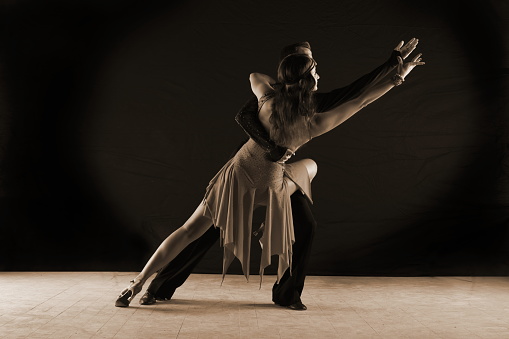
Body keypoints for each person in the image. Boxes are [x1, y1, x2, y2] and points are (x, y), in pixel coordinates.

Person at [115, 39, 424, 309]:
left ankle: (137, 282)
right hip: (268, 189)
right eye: (316, 72)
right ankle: (268, 227)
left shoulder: (266, 100)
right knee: (311, 166)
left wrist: (282, 83)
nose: (320, 75)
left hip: (234, 180)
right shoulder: (313, 123)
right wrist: (399, 75)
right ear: (309, 83)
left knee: (187, 231)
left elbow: (254, 76)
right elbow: (362, 98)